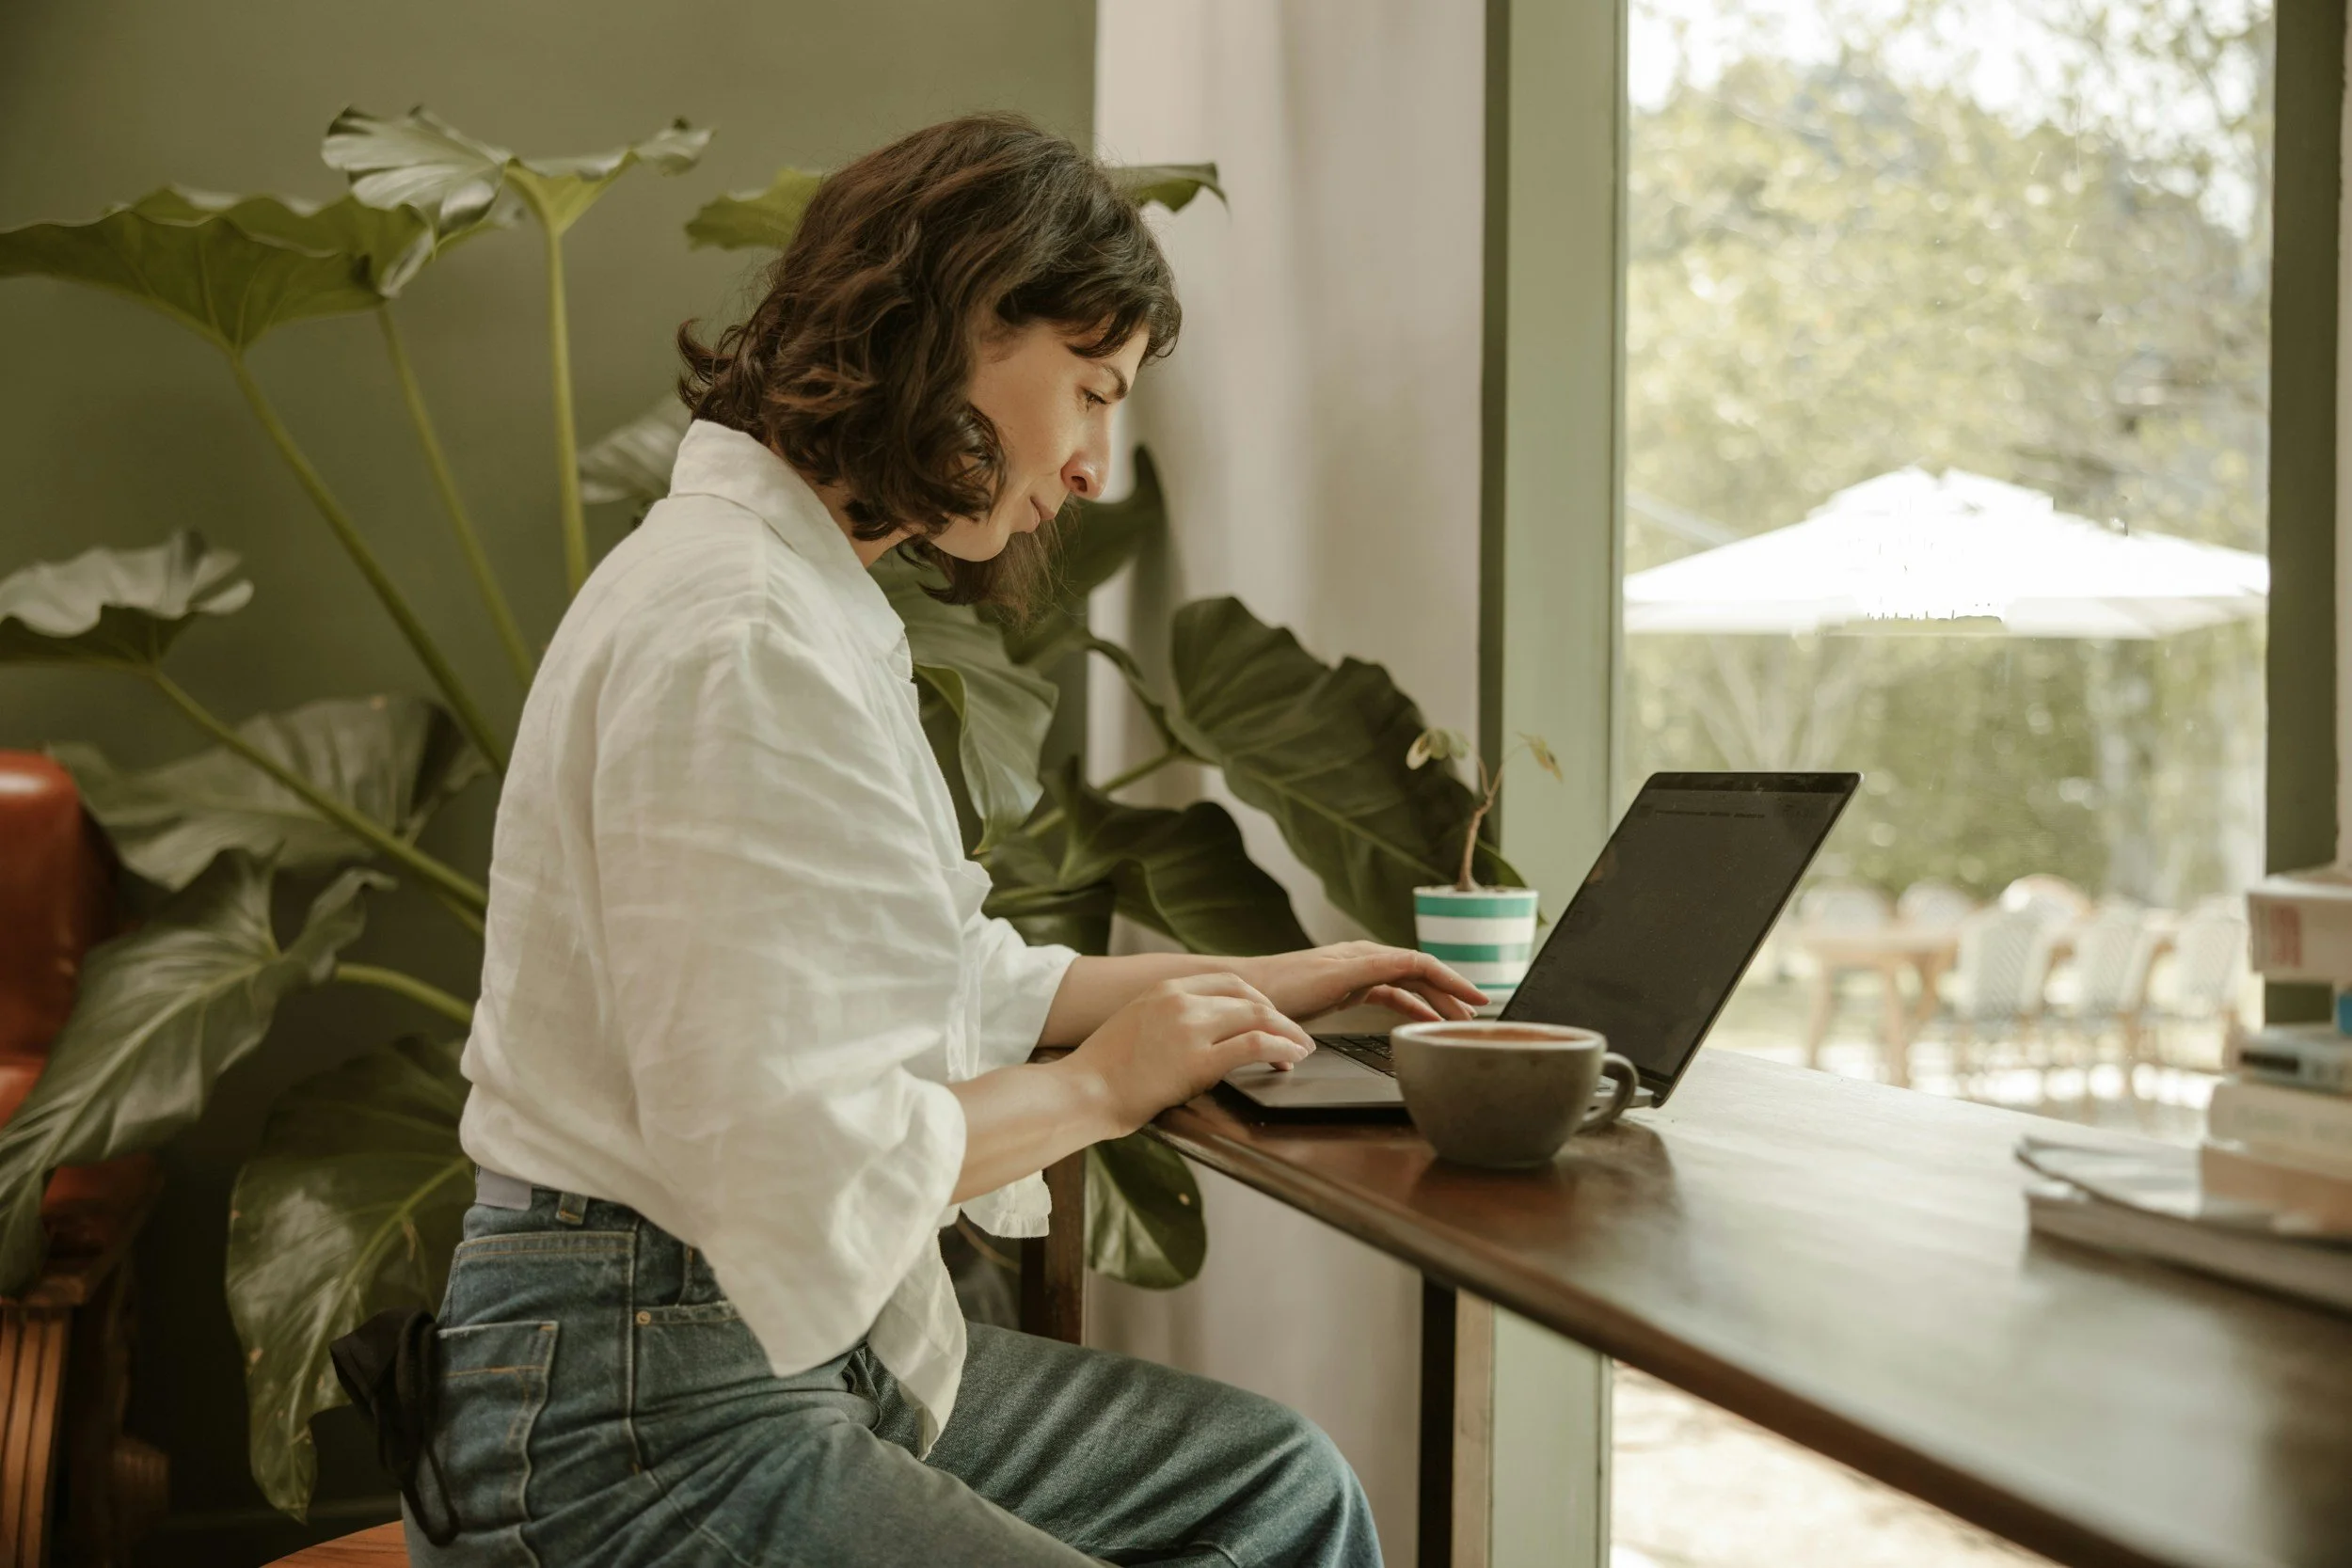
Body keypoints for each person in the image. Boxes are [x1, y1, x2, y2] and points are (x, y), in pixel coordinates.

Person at [418, 113, 1482, 1568]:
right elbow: (792, 1164)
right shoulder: (740, 632)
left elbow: (931, 974)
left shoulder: (789, 598)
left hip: (724, 1342)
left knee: (1273, 1486)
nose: (1096, 462)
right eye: (1092, 390)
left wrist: (1277, 974)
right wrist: (1108, 1086)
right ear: (964, 321)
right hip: (631, 1411)